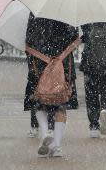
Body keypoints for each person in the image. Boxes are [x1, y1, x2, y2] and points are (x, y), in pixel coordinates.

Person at [24, 17, 81, 158]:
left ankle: (45, 132)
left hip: (40, 65)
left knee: (39, 102)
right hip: (63, 65)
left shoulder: (35, 12)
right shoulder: (67, 12)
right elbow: (74, 37)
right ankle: (57, 145)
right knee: (61, 103)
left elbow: (29, 39)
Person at [80, 22, 106, 138]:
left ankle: (94, 126)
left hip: (90, 62)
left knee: (91, 94)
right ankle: (105, 108)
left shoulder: (87, 16)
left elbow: (83, 37)